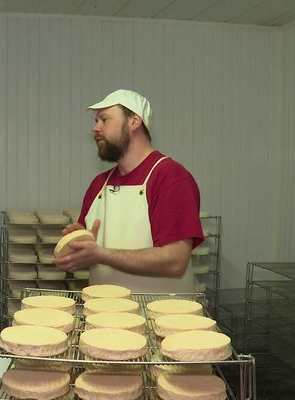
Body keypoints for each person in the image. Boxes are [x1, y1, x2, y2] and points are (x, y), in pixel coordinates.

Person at [54, 90, 203, 292]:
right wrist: (76, 248)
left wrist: (102, 255)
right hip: (104, 315)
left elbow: (175, 261)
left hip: (162, 319)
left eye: (104, 120)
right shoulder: (100, 184)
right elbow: (88, 250)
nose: (95, 128)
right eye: (97, 121)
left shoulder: (169, 177)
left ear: (134, 121)